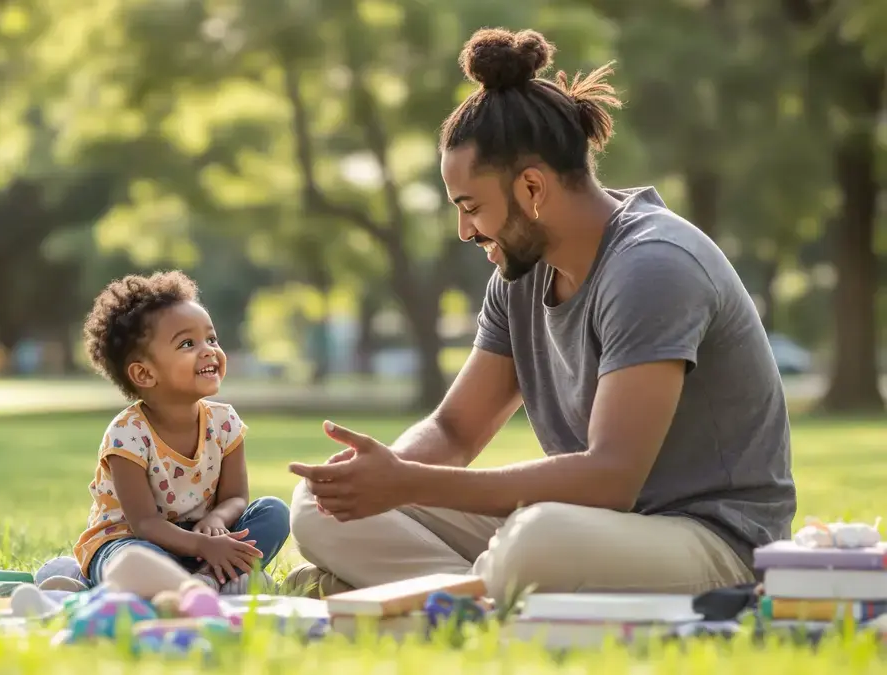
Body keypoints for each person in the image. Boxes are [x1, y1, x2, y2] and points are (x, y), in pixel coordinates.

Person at [284, 27, 796, 604]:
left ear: (532, 187)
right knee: (321, 508)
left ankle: (431, 593)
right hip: (591, 527)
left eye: (471, 207)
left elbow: (611, 477)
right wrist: (379, 476)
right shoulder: (522, 273)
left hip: (712, 540)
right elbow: (454, 431)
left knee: (536, 539)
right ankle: (468, 598)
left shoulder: (653, 266)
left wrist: (410, 484)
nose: (465, 231)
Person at [36, 271, 290, 595]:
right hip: (133, 542)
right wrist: (202, 545)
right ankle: (95, 584)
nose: (209, 350)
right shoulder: (127, 435)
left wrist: (217, 521)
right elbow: (145, 524)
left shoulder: (225, 423)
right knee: (133, 559)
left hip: (203, 544)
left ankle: (204, 582)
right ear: (144, 373)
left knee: (274, 513)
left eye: (211, 339)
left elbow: (236, 498)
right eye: (187, 344)